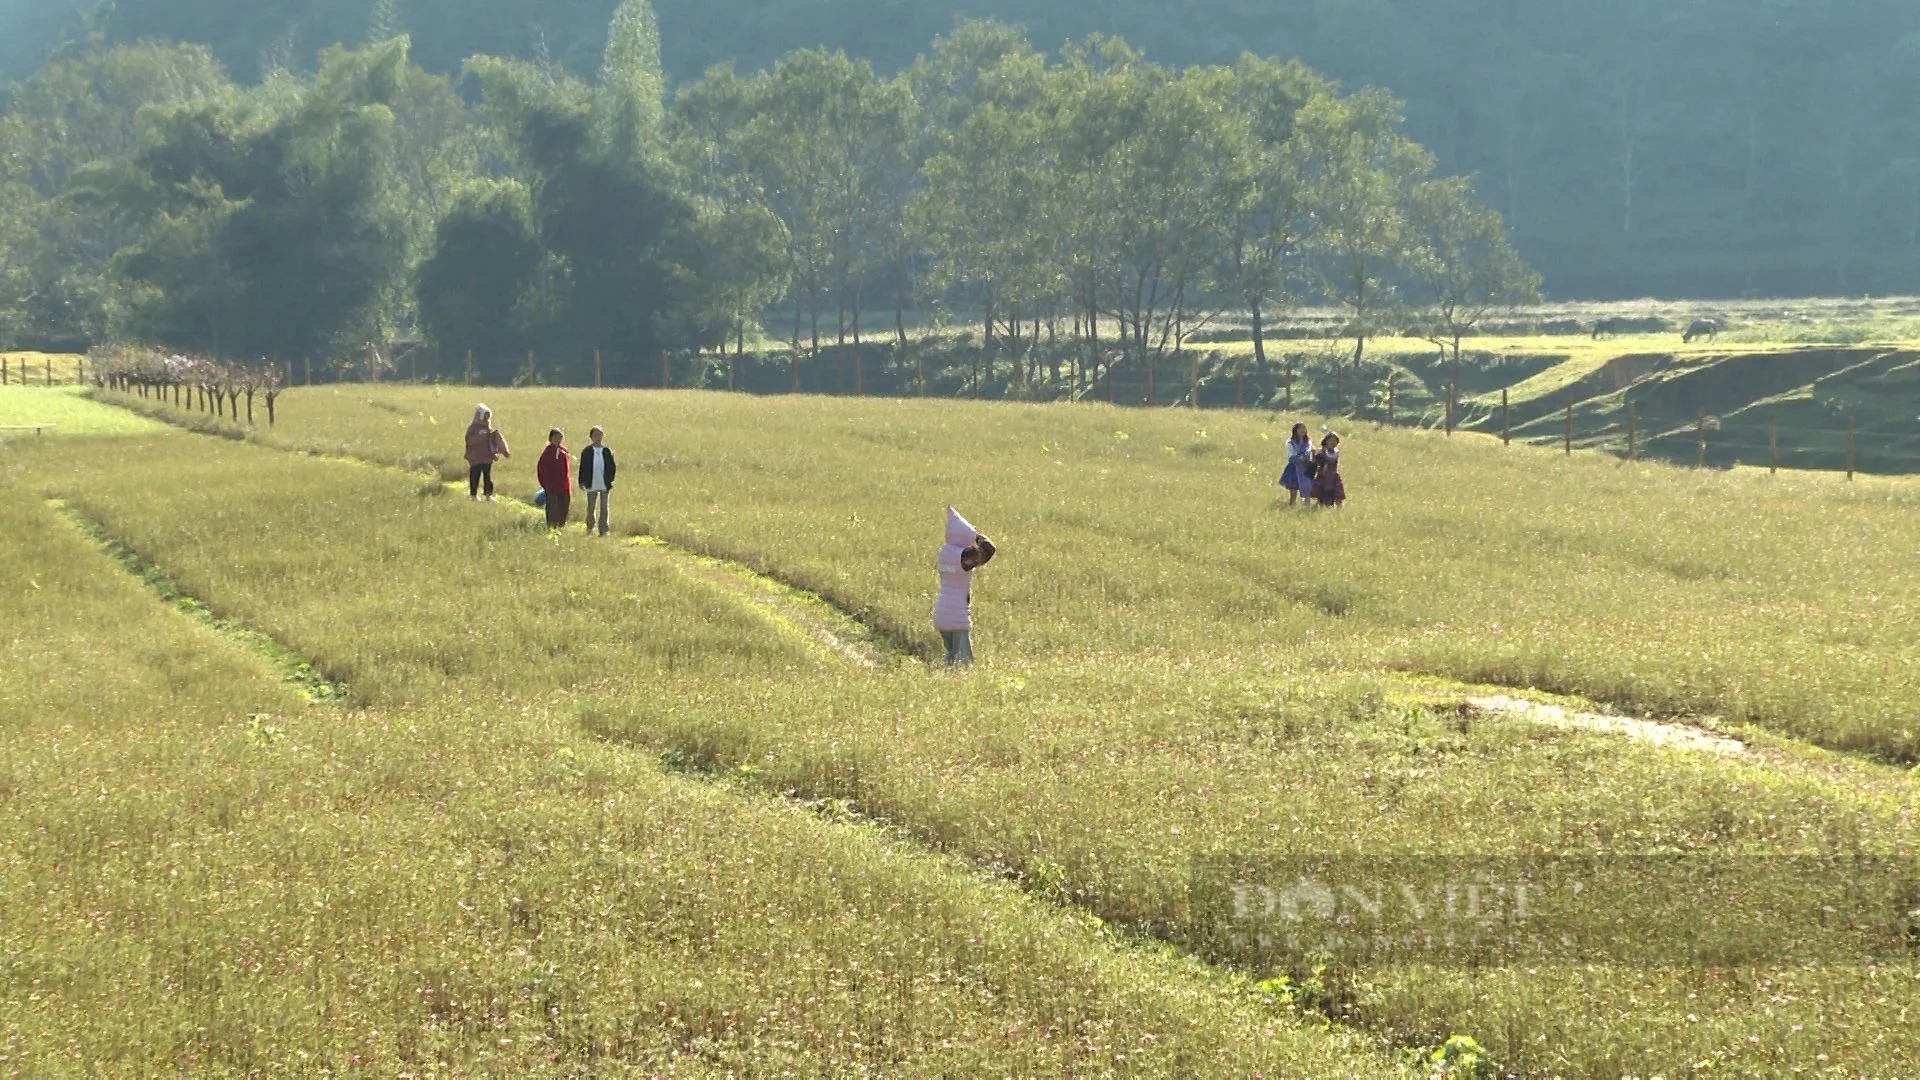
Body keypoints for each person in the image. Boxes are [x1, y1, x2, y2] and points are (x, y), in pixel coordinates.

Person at [933, 507, 997, 668]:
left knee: (951, 655)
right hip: (957, 614)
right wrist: (976, 536)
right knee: (963, 662)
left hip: (941, 612)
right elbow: (989, 549)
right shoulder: (963, 557)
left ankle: (942, 678)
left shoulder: (945, 551)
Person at [464, 405, 510, 501]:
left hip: (487, 457)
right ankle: (473, 495)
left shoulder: (489, 429)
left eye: (488, 416)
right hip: (475, 458)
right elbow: (469, 441)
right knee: (474, 476)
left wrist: (504, 451)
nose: (486, 419)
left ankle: (488, 495)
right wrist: (481, 437)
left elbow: (497, 441)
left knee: (487, 477)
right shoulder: (473, 428)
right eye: (484, 416)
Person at [578, 426, 617, 537]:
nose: (598, 437)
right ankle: (590, 528)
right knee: (591, 507)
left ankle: (603, 529)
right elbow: (583, 468)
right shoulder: (587, 451)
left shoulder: (607, 451)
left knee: (604, 507)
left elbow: (612, 467)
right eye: (596, 435)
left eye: (600, 434)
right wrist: (581, 481)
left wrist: (610, 480)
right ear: (591, 437)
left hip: (604, 483)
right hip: (591, 483)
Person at [536, 428, 573, 530]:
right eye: (556, 437)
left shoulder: (564, 452)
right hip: (552, 487)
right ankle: (552, 528)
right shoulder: (547, 453)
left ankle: (560, 527)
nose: (558, 439)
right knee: (553, 509)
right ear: (551, 439)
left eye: (560, 437)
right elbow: (541, 469)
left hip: (564, 486)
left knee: (564, 508)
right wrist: (546, 484)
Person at [1279, 422, 1314, 507]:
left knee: (1307, 487)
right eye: (1300, 428)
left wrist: (1305, 457)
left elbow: (1308, 451)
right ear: (1295, 430)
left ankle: (1307, 506)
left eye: (1304, 428)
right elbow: (1290, 455)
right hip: (1294, 467)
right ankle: (1292, 505)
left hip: (1305, 467)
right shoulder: (1290, 443)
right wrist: (1298, 458)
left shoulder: (1308, 442)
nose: (1303, 430)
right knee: (1293, 488)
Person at [1310, 431, 1346, 508]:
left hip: (1334, 477)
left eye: (1335, 441)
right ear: (1326, 441)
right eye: (1331, 440)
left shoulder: (1336, 452)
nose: (1333, 442)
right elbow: (1316, 463)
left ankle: (1339, 511)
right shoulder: (1321, 451)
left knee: (1338, 496)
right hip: (1323, 477)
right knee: (1321, 497)